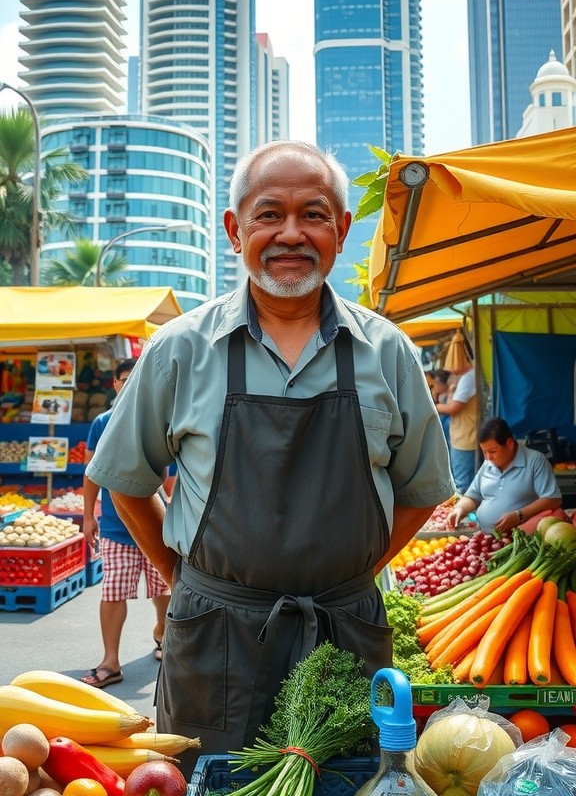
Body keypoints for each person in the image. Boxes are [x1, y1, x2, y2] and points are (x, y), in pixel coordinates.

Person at [86, 139, 454, 764]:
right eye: (269, 214)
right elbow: (126, 479)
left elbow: (421, 490)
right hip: (213, 641)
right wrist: (183, 579)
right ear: (236, 231)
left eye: (313, 215)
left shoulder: (388, 351)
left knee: (347, 779)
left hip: (344, 636)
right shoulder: (180, 349)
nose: (291, 234)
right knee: (208, 779)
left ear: (341, 230)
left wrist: (354, 574)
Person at [81, 358, 171, 688]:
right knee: (112, 592)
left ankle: (163, 633)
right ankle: (110, 661)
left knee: (164, 589)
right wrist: (88, 516)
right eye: (124, 378)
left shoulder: (158, 419)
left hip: (155, 524)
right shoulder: (102, 422)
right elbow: (91, 473)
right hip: (116, 528)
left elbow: (168, 476)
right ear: (115, 384)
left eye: (136, 377)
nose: (130, 383)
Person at [446, 416, 562, 534]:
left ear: (510, 444)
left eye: (492, 451)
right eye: (484, 452)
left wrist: (519, 515)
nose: (487, 457)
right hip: (484, 537)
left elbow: (553, 499)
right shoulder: (488, 463)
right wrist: (460, 509)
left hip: (519, 539)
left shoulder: (535, 461)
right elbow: (472, 496)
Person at [434, 355, 478, 494]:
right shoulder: (464, 377)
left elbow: (452, 408)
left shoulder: (468, 377)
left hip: (465, 439)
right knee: (461, 482)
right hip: (461, 438)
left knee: (463, 485)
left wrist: (435, 407)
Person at [431, 369, 451, 446]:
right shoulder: (441, 396)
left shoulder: (450, 397)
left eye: (437, 383)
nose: (434, 385)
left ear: (444, 385)